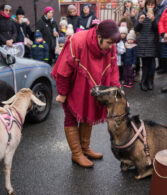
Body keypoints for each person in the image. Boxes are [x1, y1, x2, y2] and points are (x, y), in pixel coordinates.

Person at [51, 20, 121, 168]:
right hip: (72, 85)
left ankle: (85, 148)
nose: (111, 47)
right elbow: (64, 70)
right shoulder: (77, 41)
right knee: (71, 116)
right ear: (99, 36)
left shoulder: (110, 46)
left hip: (91, 87)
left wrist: (117, 91)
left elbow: (113, 69)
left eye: (112, 43)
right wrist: (62, 93)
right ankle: (76, 154)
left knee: (88, 114)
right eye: (109, 42)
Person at [135, 0, 159, 91]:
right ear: (145, 5)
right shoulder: (141, 13)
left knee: (152, 63)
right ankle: (143, 82)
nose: (150, 6)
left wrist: (153, 20)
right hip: (143, 42)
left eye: (152, 4)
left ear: (155, 5)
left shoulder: (157, 13)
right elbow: (136, 28)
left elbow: (157, 29)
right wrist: (140, 22)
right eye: (148, 4)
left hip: (152, 41)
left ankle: (150, 81)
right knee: (145, 63)